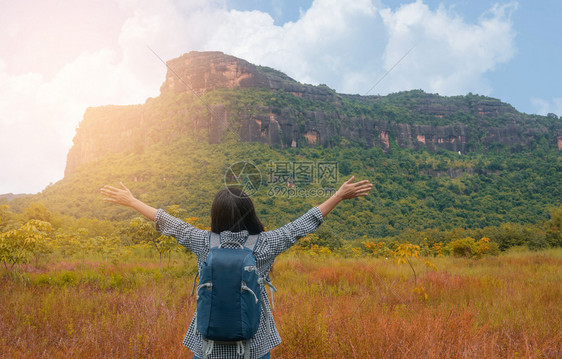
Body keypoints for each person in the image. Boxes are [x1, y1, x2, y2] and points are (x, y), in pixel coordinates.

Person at [100, 176, 372, 359]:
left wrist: (132, 201)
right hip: (254, 344)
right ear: (250, 213)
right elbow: (303, 225)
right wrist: (338, 195)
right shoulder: (266, 243)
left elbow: (167, 222)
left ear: (214, 215)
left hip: (207, 345)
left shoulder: (203, 241)